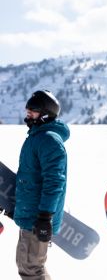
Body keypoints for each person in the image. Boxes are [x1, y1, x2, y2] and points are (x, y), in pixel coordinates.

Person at [13, 90, 70, 280]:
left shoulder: (49, 140)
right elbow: (29, 179)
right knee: (26, 265)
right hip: (30, 213)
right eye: (28, 108)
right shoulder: (36, 137)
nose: (28, 112)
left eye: (33, 110)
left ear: (46, 114)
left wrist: (45, 216)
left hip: (38, 216)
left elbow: (55, 181)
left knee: (32, 268)